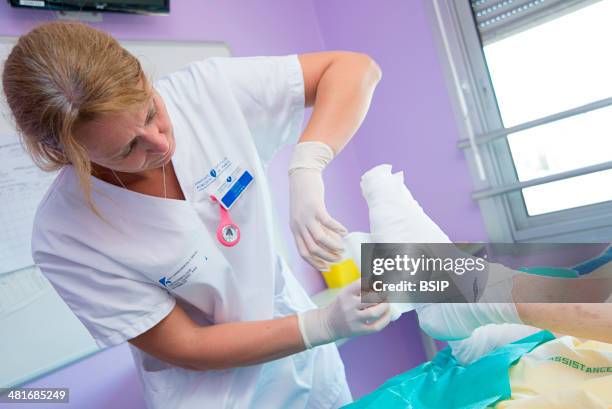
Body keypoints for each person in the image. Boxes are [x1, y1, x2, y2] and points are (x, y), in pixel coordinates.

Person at [2, 21, 391, 409]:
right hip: (215, 395)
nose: (160, 141)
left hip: (311, 372)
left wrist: (308, 164)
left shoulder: (204, 92)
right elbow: (187, 345)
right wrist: (321, 325)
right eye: (126, 149)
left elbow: (355, 68)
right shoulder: (64, 236)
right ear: (66, 155)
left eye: (152, 110)